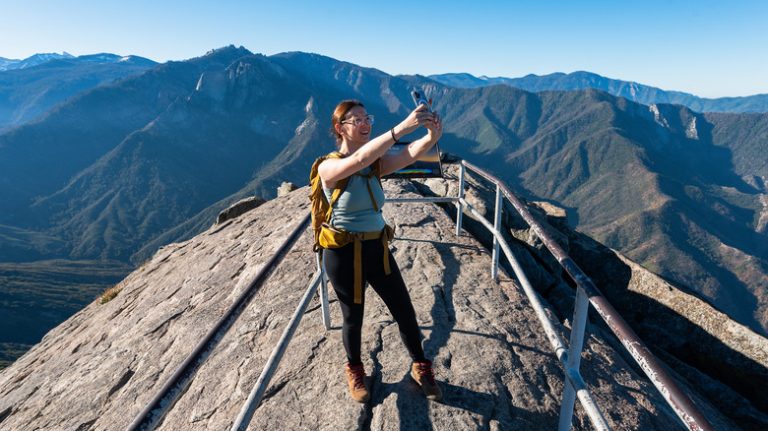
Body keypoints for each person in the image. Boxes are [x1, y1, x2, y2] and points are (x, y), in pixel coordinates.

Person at [317, 99, 443, 403]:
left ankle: (420, 366)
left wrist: (431, 137)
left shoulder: (373, 165)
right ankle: (355, 369)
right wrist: (402, 128)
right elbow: (359, 160)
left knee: (404, 309)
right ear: (339, 128)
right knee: (353, 317)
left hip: (376, 246)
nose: (365, 123)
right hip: (343, 251)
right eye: (356, 120)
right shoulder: (329, 166)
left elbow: (405, 158)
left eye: (367, 118)